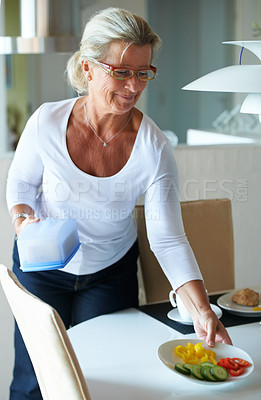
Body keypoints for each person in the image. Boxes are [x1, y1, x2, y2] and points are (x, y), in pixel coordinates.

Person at [6, 7, 232, 400]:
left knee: (107, 379)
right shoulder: (46, 122)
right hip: (43, 269)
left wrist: (202, 310)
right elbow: (21, 186)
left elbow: (168, 239)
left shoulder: (154, 148)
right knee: (33, 382)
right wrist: (24, 222)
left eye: (144, 72)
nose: (134, 86)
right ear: (88, 68)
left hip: (109, 274)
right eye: (122, 71)